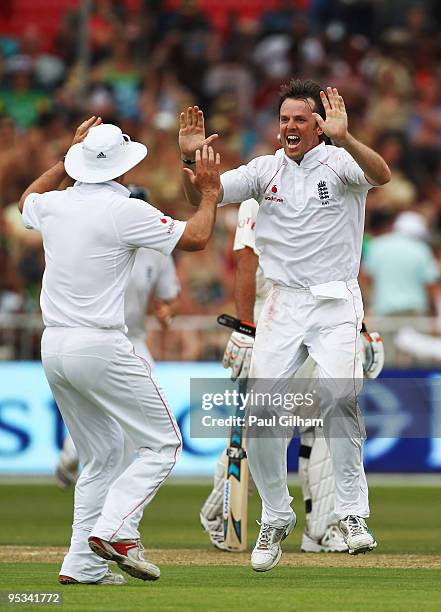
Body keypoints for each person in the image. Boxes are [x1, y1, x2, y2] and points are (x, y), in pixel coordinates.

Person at [179, 79, 391, 571]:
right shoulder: (263, 170)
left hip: (335, 300)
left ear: (319, 124)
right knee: (260, 421)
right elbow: (204, 194)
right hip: (282, 306)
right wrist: (190, 160)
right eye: (285, 119)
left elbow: (380, 176)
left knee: (341, 398)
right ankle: (275, 517)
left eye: (301, 119)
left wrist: (349, 138)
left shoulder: (340, 162)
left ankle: (352, 514)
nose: (291, 127)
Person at [18, 117, 220, 584]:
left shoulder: (54, 204)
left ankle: (82, 563)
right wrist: (208, 194)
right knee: (163, 443)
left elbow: (26, 198)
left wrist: (65, 161)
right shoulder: (125, 208)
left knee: (104, 454)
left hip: (55, 346)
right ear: (124, 168)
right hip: (100, 343)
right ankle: (116, 530)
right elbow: (196, 238)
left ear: (79, 164)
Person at [200, 198, 384, 553]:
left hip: (316, 324)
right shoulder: (257, 199)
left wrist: (359, 328)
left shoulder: (328, 195)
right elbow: (245, 263)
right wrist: (247, 330)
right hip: (273, 326)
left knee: (323, 423)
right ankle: (221, 513)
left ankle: (322, 528)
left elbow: (340, 276)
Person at [55, 188, 181, 488]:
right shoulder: (100, 240)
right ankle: (73, 456)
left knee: (137, 411)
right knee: (100, 412)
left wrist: (166, 312)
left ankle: (110, 481)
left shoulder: (157, 251)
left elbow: (169, 297)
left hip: (134, 339)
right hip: (96, 334)